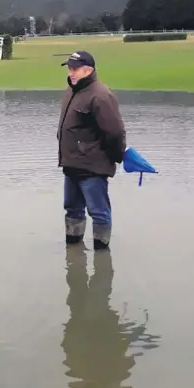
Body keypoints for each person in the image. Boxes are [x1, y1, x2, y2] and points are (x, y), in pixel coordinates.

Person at [57, 51, 126, 250]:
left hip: (92, 168)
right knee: (72, 209)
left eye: (75, 68)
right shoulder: (71, 91)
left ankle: (102, 253)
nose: (71, 72)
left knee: (99, 212)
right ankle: (73, 249)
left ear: (89, 70)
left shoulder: (101, 95)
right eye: (69, 68)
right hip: (71, 165)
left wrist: (114, 158)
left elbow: (115, 132)